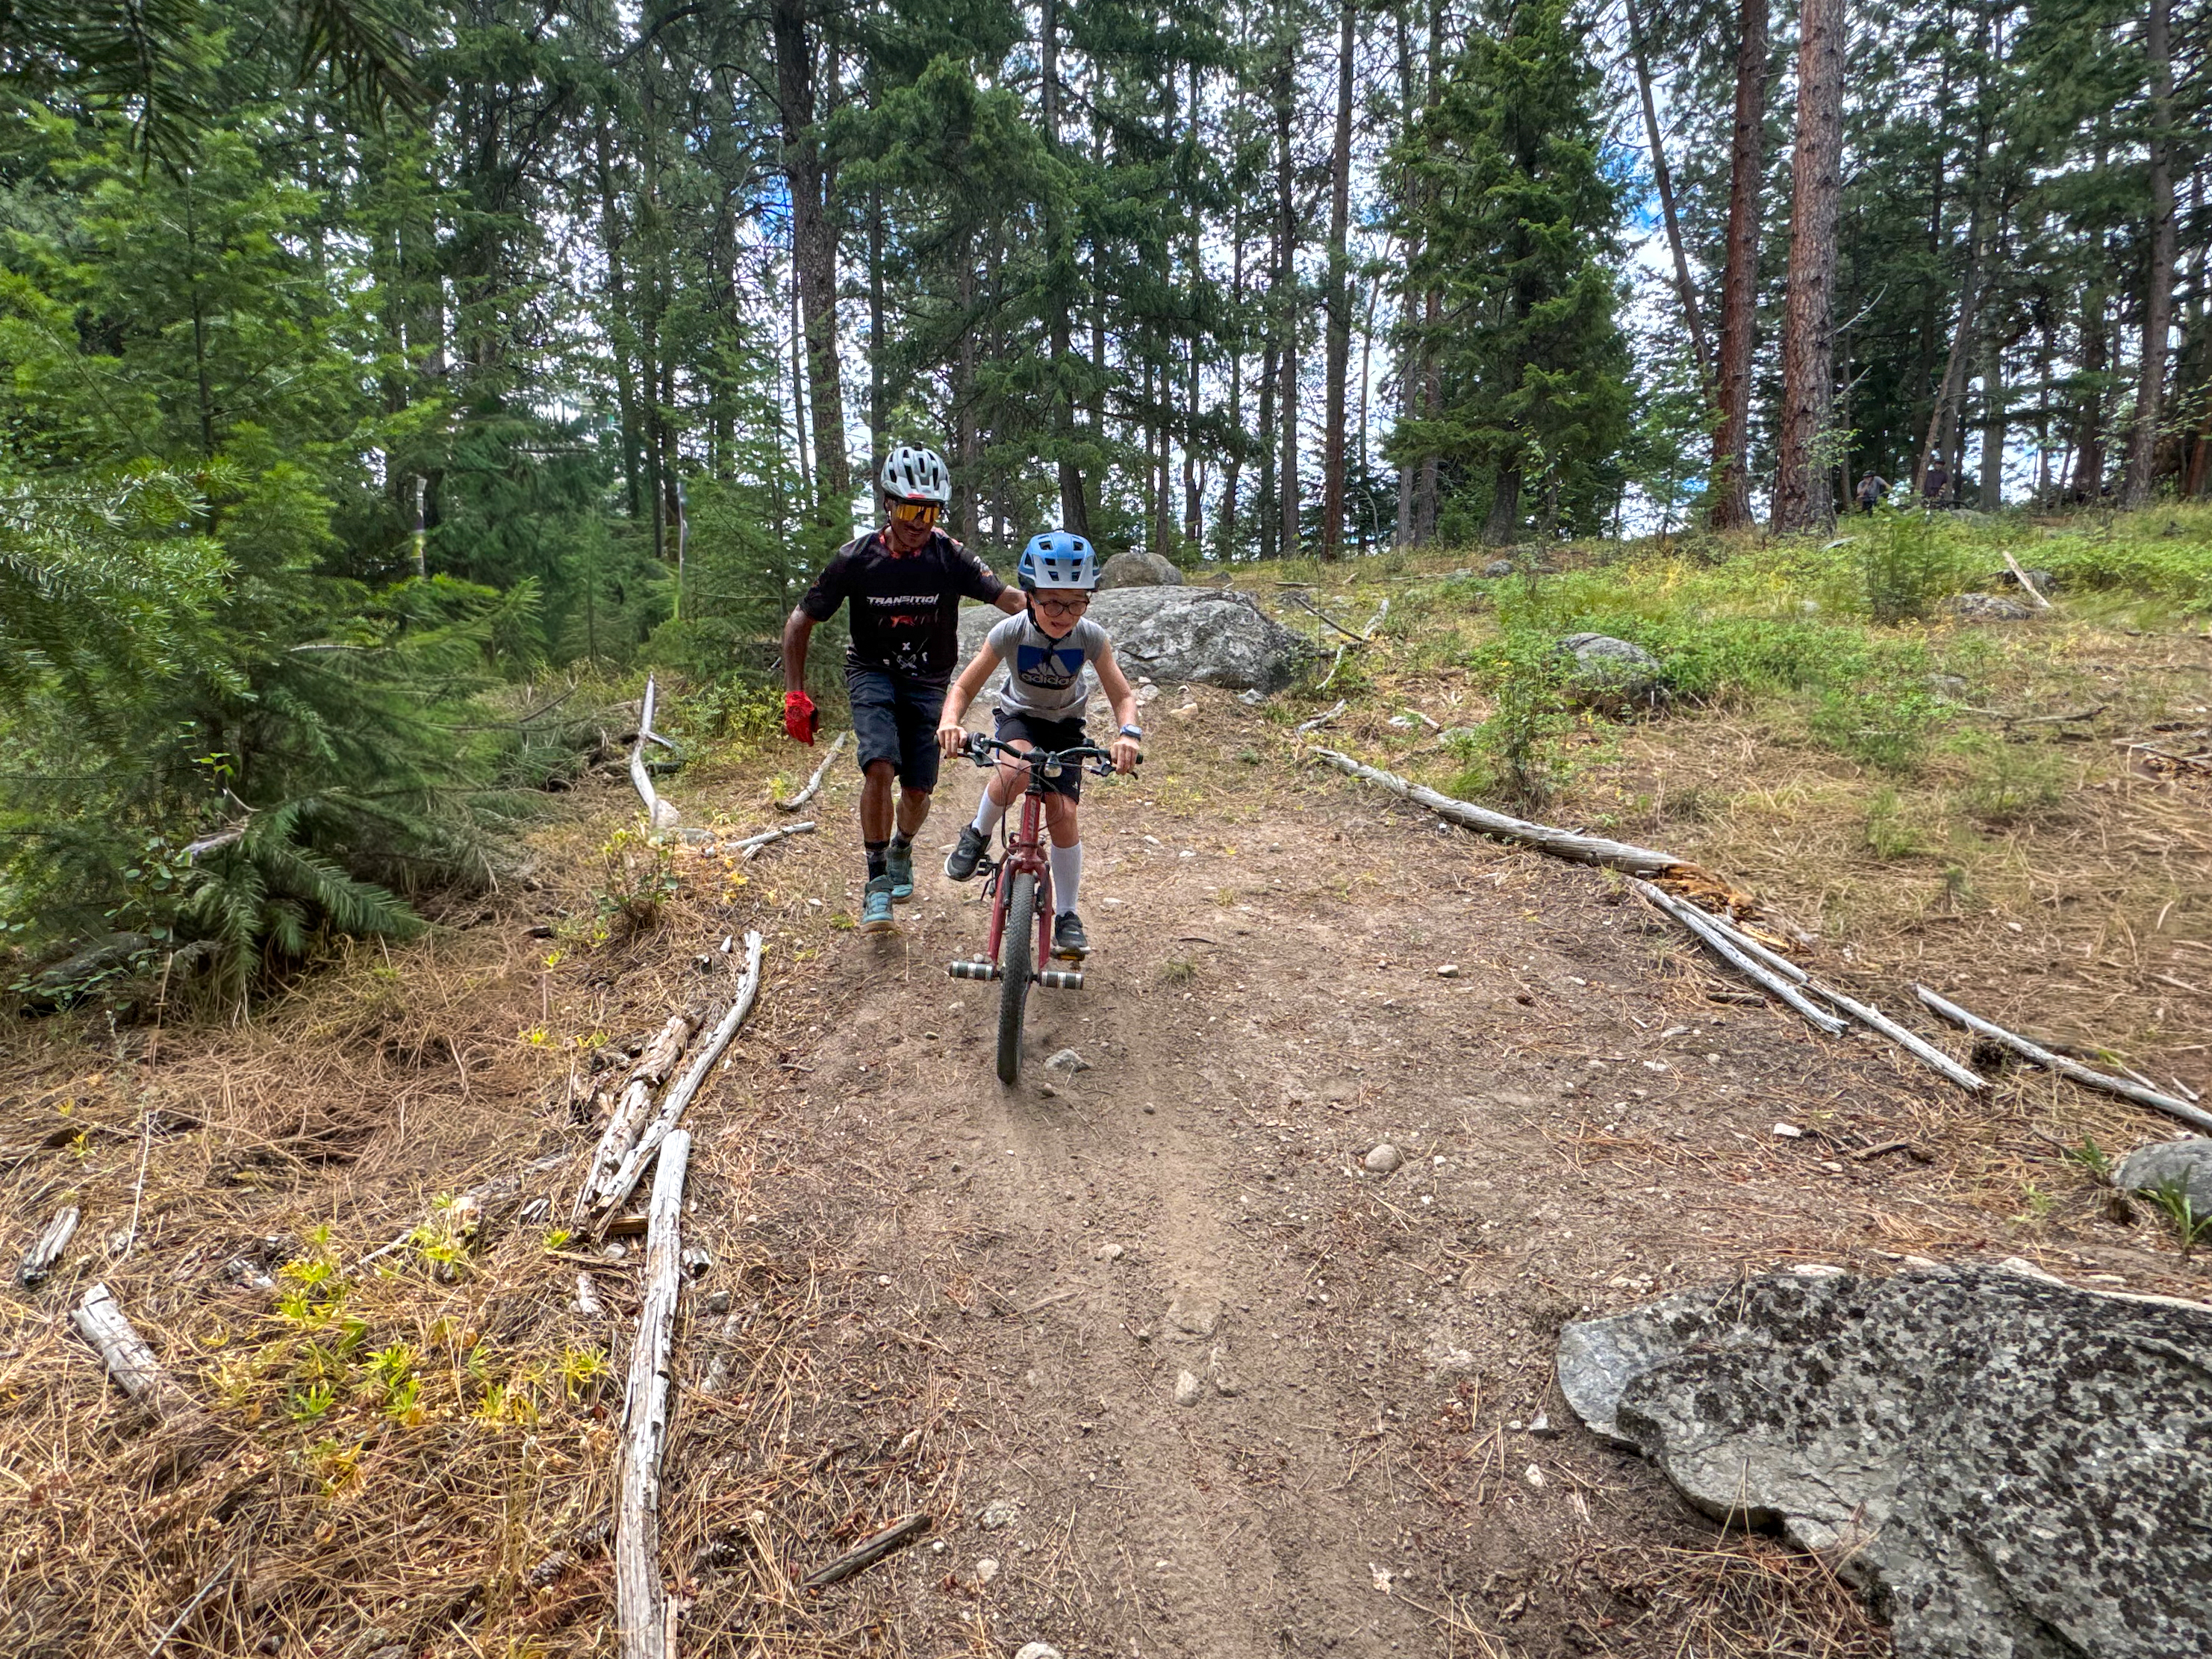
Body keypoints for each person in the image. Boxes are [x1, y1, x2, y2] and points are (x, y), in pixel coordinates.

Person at [782, 445, 1024, 933]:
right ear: (888, 504)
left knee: (916, 789)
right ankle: (875, 883)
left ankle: (901, 849)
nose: (918, 521)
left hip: (930, 682)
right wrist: (795, 693)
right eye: (909, 508)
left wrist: (1058, 619)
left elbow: (1008, 600)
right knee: (879, 766)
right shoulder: (856, 559)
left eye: (929, 510)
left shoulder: (949, 556)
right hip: (872, 672)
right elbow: (800, 620)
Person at [935, 531, 1142, 962]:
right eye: (1052, 602)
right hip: (1020, 717)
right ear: (1029, 596)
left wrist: (1128, 734)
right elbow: (965, 685)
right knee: (1011, 771)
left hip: (1066, 727)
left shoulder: (1090, 637)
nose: (1064, 614)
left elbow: (1123, 695)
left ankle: (1067, 913)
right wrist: (950, 723)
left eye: (1076, 602)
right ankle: (977, 833)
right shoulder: (1009, 631)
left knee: (1064, 814)